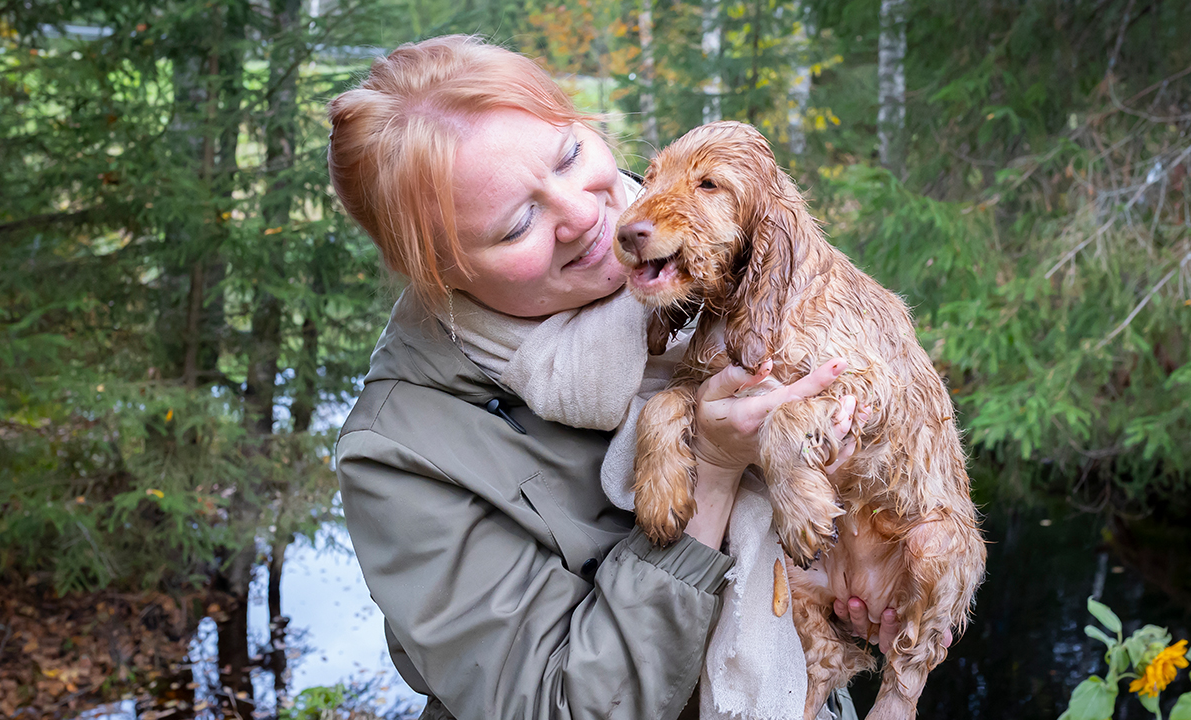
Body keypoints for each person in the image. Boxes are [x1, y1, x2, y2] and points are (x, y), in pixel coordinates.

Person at [328, 34, 904, 720]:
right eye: (517, 225)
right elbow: (560, 707)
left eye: (570, 155)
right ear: (441, 276)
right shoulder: (399, 454)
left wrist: (860, 524)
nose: (583, 214)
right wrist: (714, 469)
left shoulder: (723, 251)